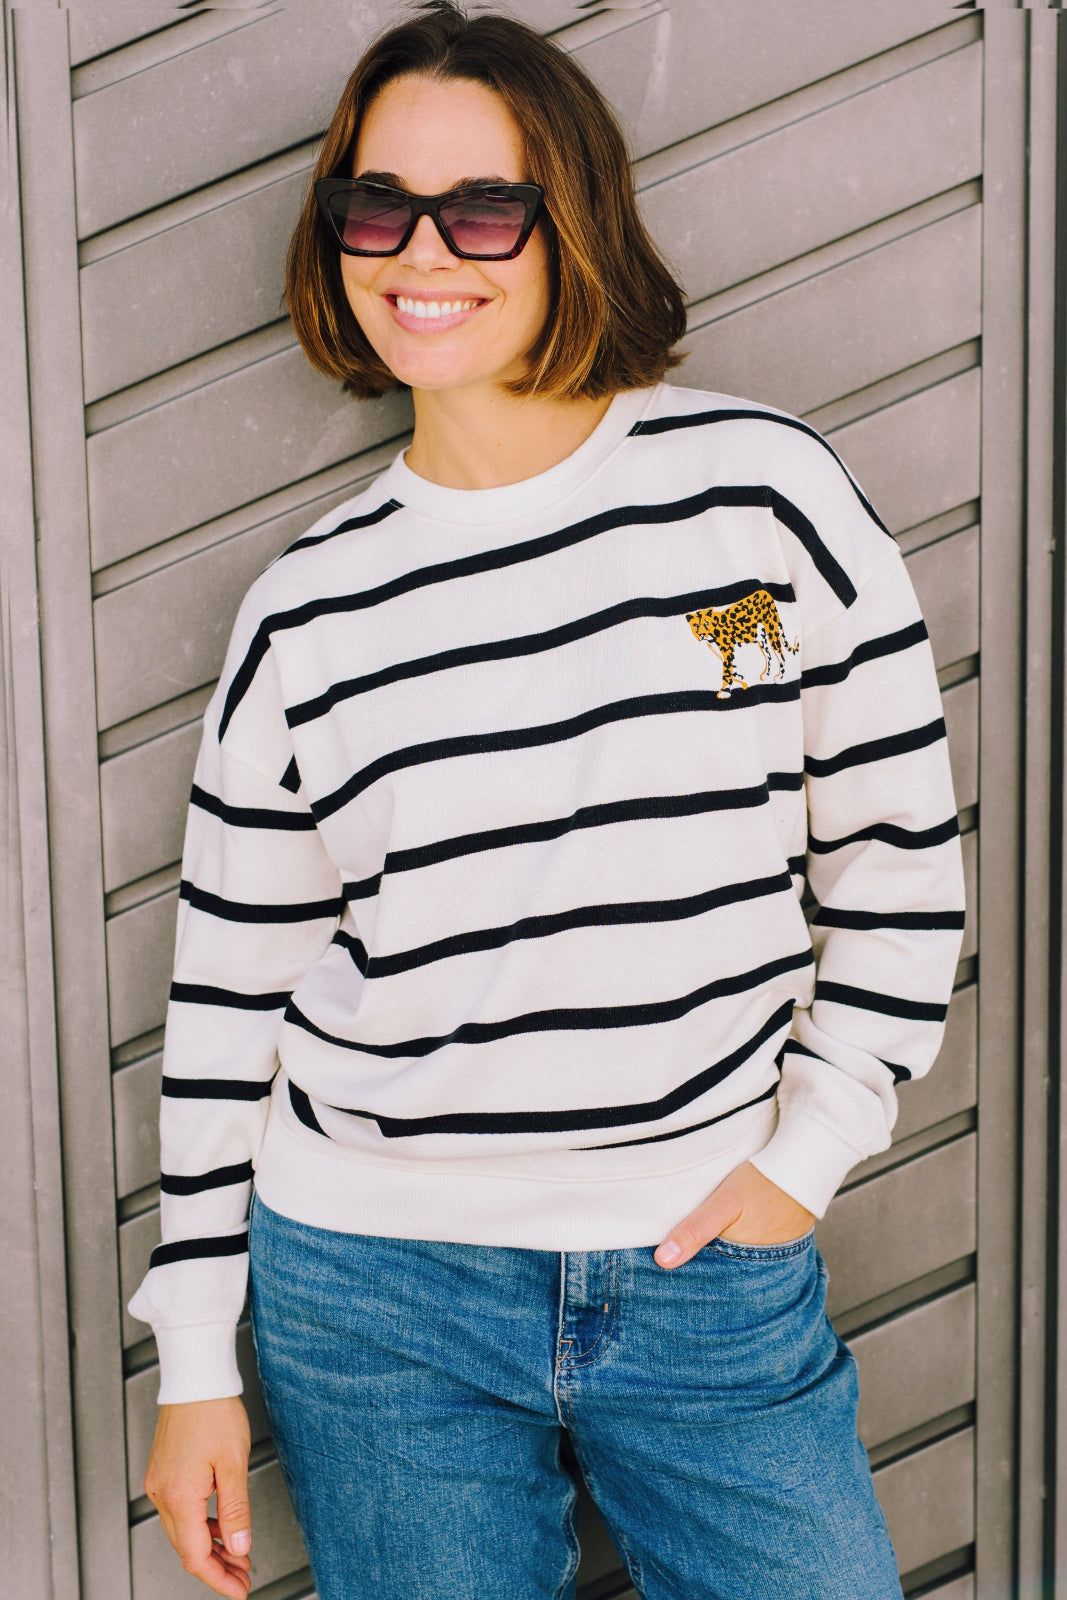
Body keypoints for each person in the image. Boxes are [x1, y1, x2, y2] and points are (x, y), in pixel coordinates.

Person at [130, 4, 966, 1597]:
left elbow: (892, 855)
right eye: (377, 205)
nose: (421, 252)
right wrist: (192, 1363)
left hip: (706, 1274)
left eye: (484, 207)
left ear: (567, 220)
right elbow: (227, 1002)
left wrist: (811, 1152)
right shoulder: (309, 614)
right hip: (377, 1298)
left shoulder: (750, 509)